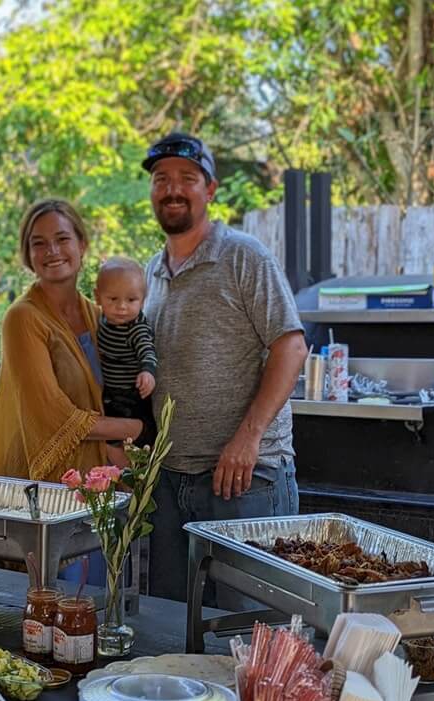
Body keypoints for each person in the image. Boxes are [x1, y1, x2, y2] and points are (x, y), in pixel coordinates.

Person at [141, 131, 309, 602]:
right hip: (171, 483)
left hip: (246, 480)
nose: (172, 189)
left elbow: (291, 347)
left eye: (187, 178)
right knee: (171, 627)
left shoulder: (243, 255)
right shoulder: (150, 272)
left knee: (250, 630)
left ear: (210, 189)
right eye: (161, 179)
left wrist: (247, 438)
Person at [0, 199, 145, 481]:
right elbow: (54, 416)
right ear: (28, 255)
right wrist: (138, 428)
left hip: (93, 483)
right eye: (39, 243)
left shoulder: (99, 317)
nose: (52, 251)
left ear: (82, 245)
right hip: (32, 487)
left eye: (62, 239)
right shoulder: (23, 318)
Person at [93, 257, 157, 448]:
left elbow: (147, 351)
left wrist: (148, 372)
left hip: (130, 394)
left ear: (143, 300)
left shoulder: (135, 329)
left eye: (131, 300)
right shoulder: (102, 320)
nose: (122, 306)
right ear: (98, 297)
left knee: (122, 436)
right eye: (113, 299)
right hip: (110, 390)